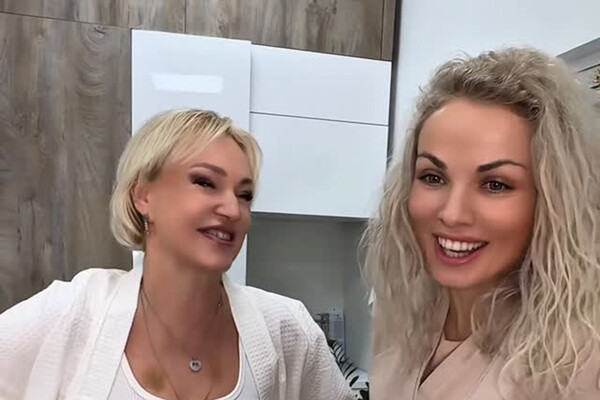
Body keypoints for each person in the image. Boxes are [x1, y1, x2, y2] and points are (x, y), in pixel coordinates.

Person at [0, 109, 354, 400]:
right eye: (205, 182)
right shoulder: (74, 312)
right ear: (143, 195)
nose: (233, 210)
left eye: (244, 195)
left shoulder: (287, 329)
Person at [363, 47, 600, 399]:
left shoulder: (582, 364)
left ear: (552, 200)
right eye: (432, 177)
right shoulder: (400, 319)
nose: (453, 213)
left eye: (495, 185)